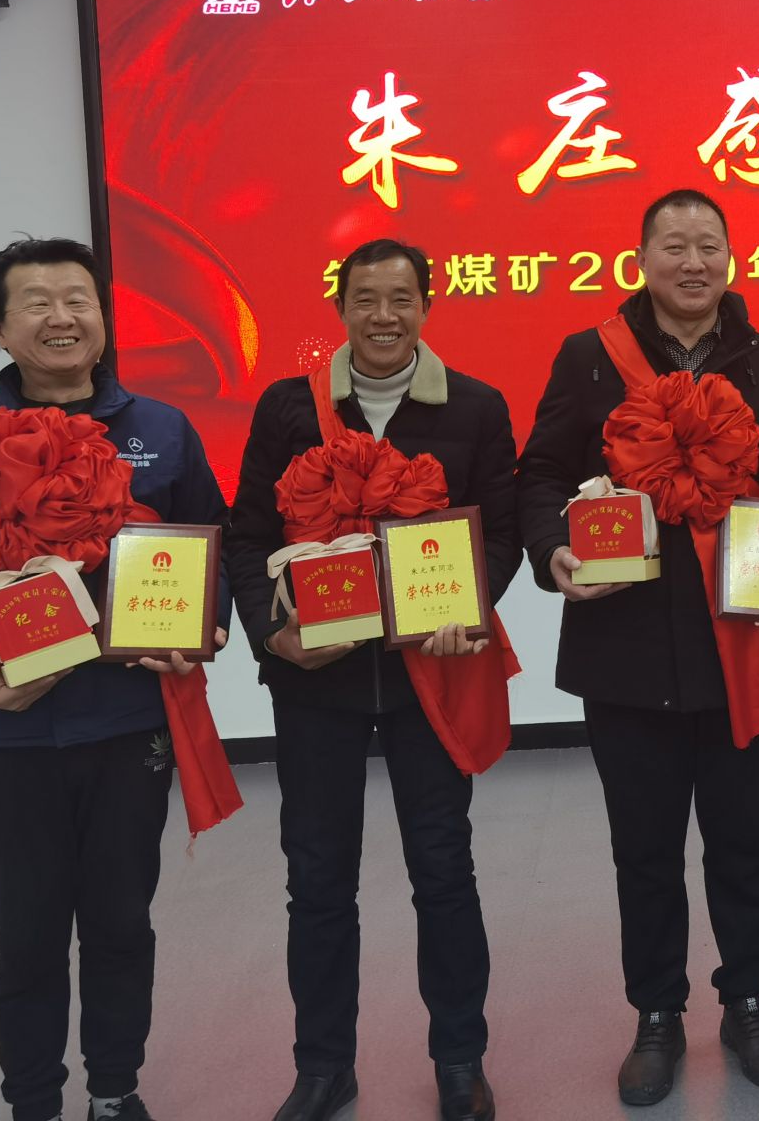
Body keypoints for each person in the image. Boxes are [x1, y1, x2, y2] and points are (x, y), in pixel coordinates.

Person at [0, 237, 231, 1121]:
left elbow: (211, 548)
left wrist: (205, 626)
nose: (62, 317)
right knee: (26, 937)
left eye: (78, 299)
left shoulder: (161, 431)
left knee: (121, 925)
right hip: (11, 737)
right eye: (35, 302)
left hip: (127, 724)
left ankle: (116, 1091)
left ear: (103, 318)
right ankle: (32, 1101)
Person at [515, 188, 759, 1106]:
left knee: (745, 842)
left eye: (709, 246)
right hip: (626, 645)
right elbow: (540, 475)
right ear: (641, 258)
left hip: (741, 644)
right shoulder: (588, 356)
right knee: (643, 850)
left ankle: (749, 1002)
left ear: (731, 257)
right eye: (675, 246)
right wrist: (555, 552)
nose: (694, 263)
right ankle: (656, 1013)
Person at [226, 238, 523, 1121]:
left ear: (427, 305)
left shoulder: (474, 406)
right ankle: (323, 1066)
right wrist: (273, 634)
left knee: (444, 869)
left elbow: (503, 534)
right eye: (366, 299)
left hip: (430, 675)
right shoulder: (289, 407)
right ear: (341, 307)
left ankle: (460, 1059)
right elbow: (248, 536)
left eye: (401, 299)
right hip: (317, 683)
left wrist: (465, 605)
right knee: (318, 879)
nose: (384, 316)